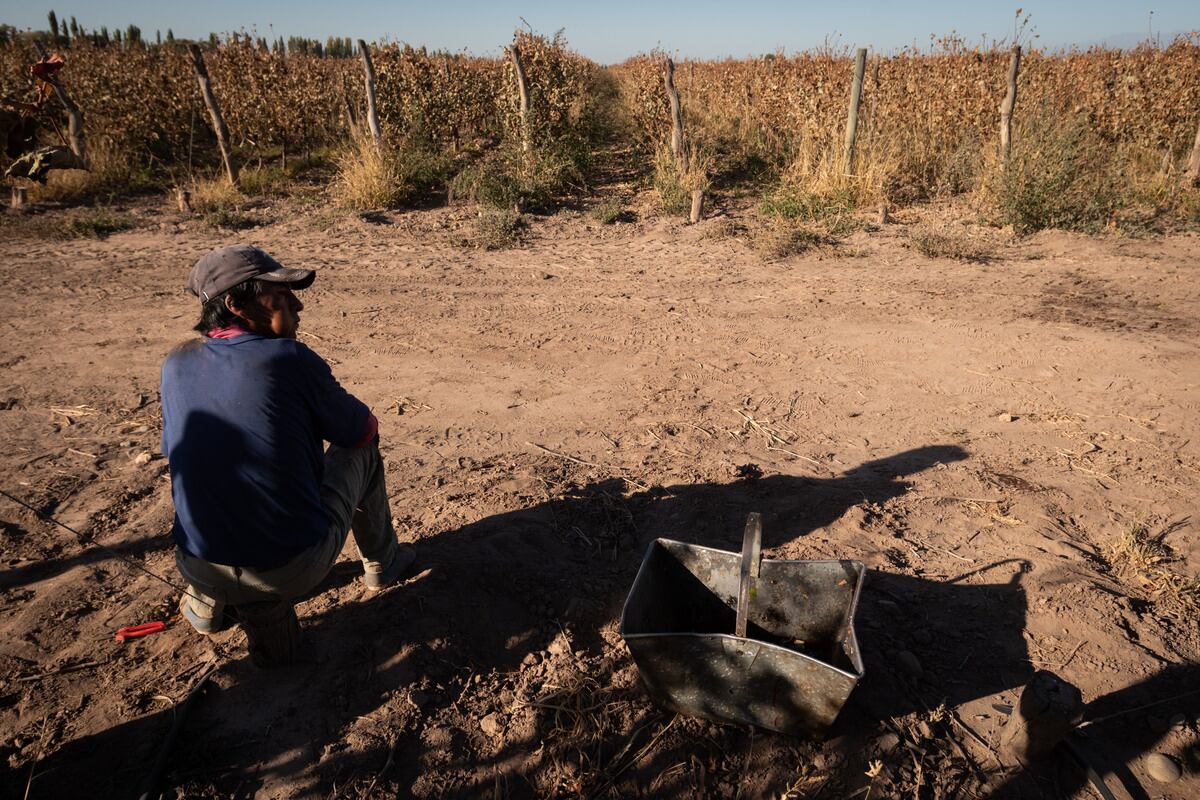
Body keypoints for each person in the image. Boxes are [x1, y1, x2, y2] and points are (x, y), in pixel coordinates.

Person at [161, 244, 413, 635]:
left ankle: (208, 602)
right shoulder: (288, 359)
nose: (297, 306)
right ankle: (383, 563)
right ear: (236, 305)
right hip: (287, 571)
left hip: (197, 564)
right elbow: (362, 430)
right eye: (280, 295)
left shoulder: (176, 362)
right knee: (362, 449)